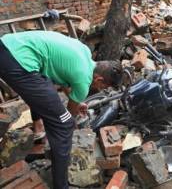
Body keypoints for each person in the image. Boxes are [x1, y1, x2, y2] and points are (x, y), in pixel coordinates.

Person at [0, 31, 123, 189]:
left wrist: (75, 102)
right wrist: (71, 119)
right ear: (99, 79)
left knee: (46, 95)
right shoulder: (84, 80)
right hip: (18, 62)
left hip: (9, 44)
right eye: (102, 87)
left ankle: (40, 133)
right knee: (63, 125)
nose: (100, 90)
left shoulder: (84, 53)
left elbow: (63, 78)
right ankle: (61, 185)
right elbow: (68, 117)